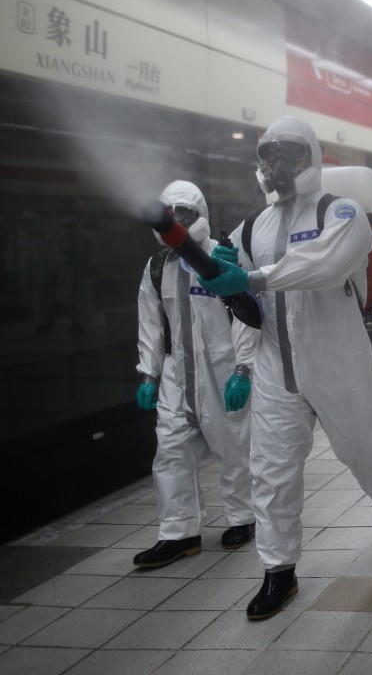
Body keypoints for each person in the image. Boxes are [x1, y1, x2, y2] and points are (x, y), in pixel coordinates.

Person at [199, 116, 372, 621]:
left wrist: (251, 278)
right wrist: (243, 366)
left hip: (338, 362)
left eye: (289, 153)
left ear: (312, 156)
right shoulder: (252, 227)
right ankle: (279, 572)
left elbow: (323, 265)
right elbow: (246, 310)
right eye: (268, 155)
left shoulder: (344, 212)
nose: (278, 165)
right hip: (276, 369)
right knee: (270, 473)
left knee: (364, 452)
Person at [134, 180, 257, 569]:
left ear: (200, 213)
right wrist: (150, 374)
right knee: (170, 452)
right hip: (176, 372)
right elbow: (150, 324)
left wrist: (243, 368)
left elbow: (246, 316)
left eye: (186, 214)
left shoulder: (221, 258)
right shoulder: (158, 267)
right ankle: (178, 532)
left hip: (221, 369)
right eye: (174, 216)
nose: (180, 224)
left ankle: (242, 517)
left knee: (234, 446)